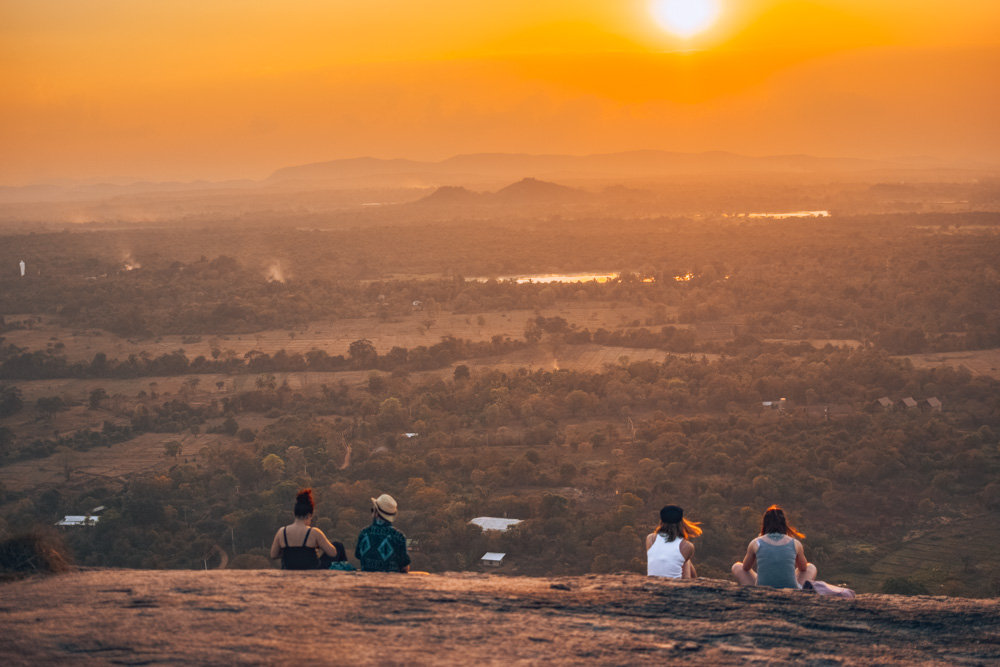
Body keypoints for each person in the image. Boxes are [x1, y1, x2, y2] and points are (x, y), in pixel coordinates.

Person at [732, 505, 818, 588]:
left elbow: (746, 567)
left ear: (764, 524)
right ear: (784, 524)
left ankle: (755, 587)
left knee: (737, 566)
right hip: (792, 589)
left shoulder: (756, 542)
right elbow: (803, 568)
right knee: (810, 567)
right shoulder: (795, 543)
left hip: (761, 587)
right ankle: (802, 591)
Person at [269, 488, 342, 570]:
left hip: (289, 567)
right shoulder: (314, 532)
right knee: (338, 546)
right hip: (313, 568)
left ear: (295, 513)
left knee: (285, 554)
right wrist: (317, 546)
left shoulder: (282, 531)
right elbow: (333, 553)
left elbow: (273, 555)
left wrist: (292, 552)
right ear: (309, 515)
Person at [355, 494, 410, 573]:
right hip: (392, 582)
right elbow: (404, 567)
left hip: (367, 581)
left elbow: (358, 555)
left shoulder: (363, 533)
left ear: (376, 513)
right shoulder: (399, 537)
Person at [646, 504, 701, 579]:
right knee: (686, 561)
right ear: (681, 522)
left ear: (661, 521)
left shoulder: (651, 539)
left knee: (680, 558)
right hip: (677, 587)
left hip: (652, 584)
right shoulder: (687, 546)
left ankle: (696, 580)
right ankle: (696, 581)